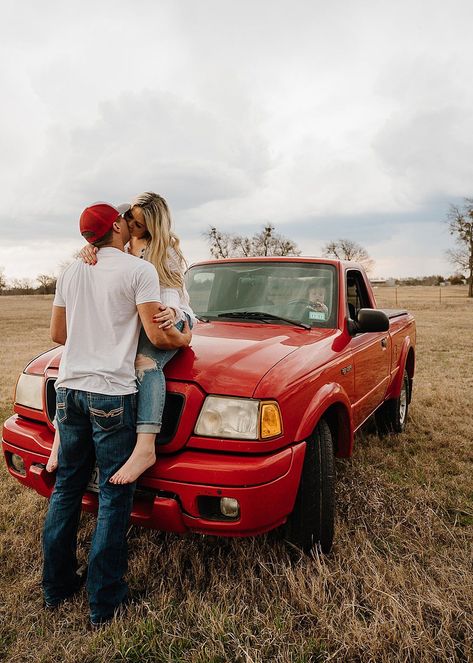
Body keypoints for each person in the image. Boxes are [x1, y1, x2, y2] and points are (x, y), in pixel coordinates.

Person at [42, 202, 191, 626]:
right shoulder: (136, 271)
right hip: (111, 394)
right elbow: (156, 334)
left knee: (67, 489)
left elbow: (58, 334)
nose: (129, 224)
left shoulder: (72, 271)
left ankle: (56, 587)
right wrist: (182, 340)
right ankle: (104, 602)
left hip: (69, 390)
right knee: (113, 495)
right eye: (124, 220)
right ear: (115, 227)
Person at [46, 192, 195, 485]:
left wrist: (174, 315)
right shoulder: (123, 243)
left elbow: (172, 296)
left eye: (137, 223)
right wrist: (89, 248)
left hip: (172, 313)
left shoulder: (166, 251)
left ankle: (145, 446)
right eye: (128, 217)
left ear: (152, 226)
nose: (129, 223)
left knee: (145, 361)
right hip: (144, 318)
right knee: (81, 352)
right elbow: (102, 237)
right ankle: (60, 438)